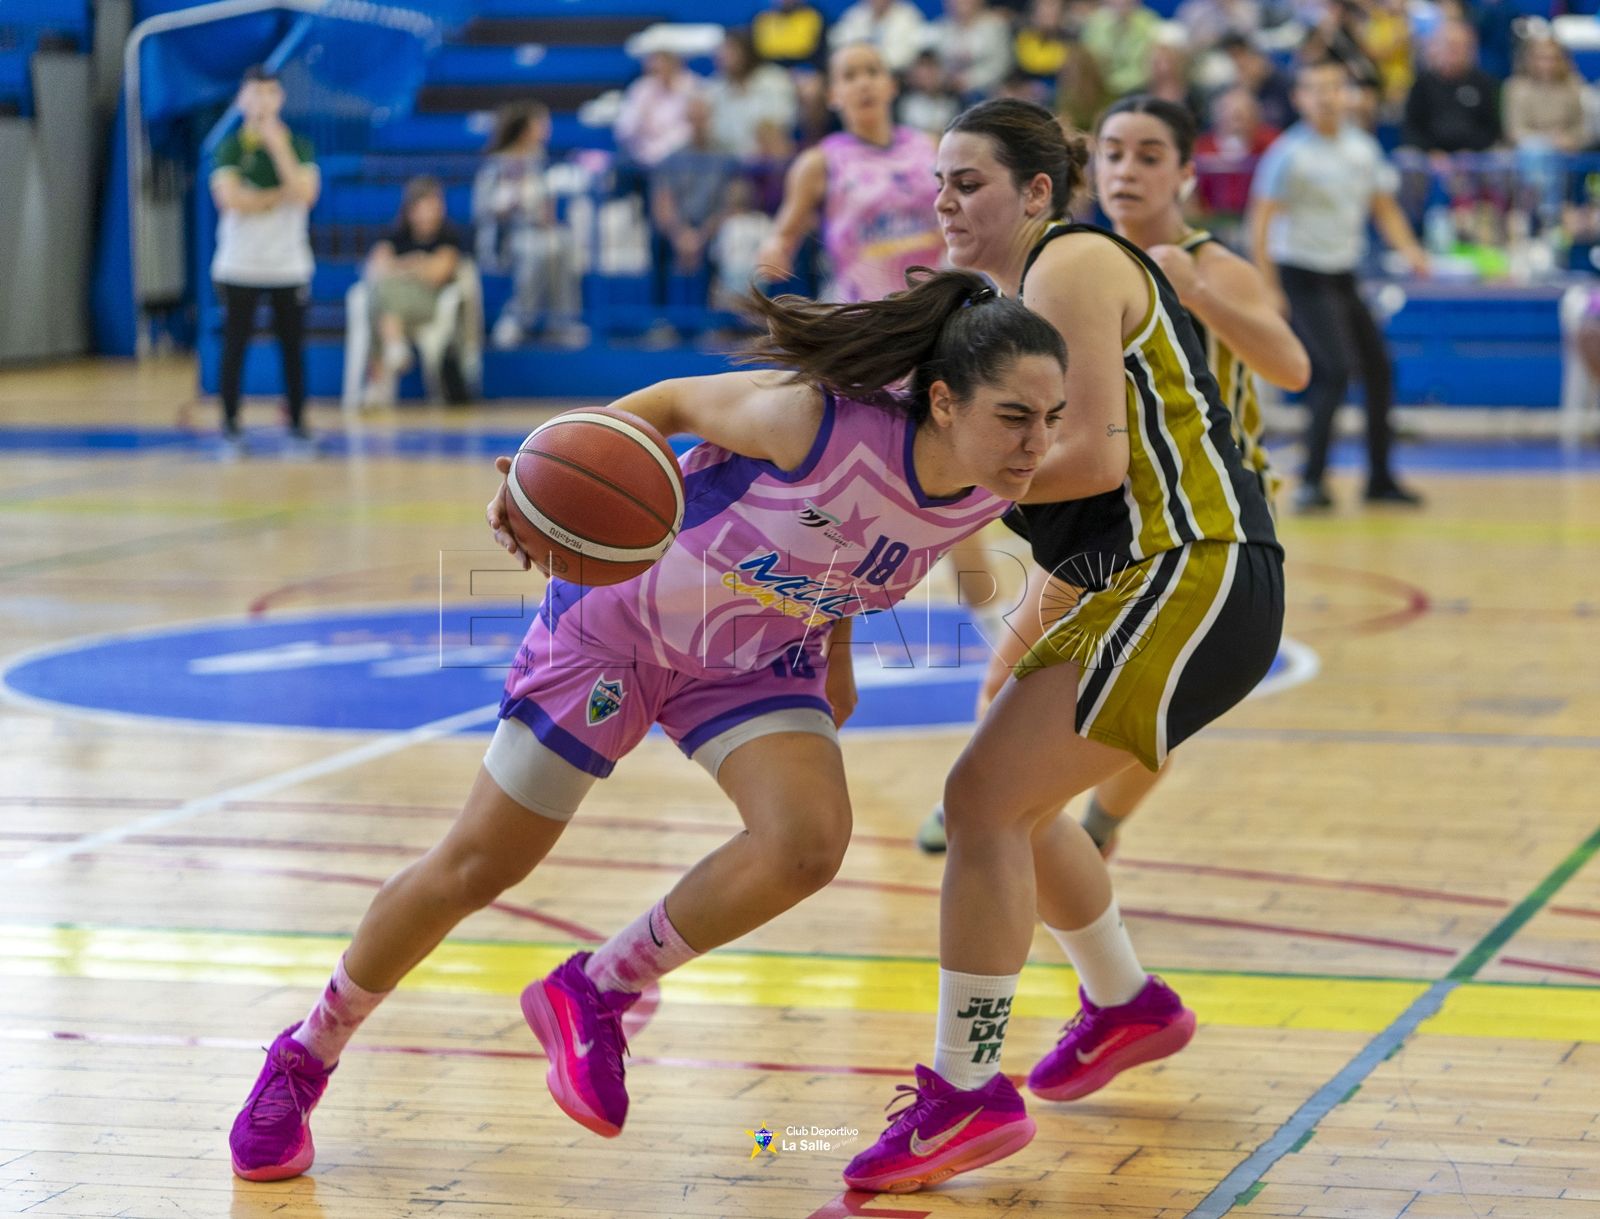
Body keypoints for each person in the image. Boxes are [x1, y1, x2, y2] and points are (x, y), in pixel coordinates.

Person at [226, 267, 1072, 1182]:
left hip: (753, 656)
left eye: (1053, 417)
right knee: (476, 865)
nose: (1036, 443)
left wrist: (835, 655)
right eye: (1016, 417)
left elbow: (861, 550)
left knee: (808, 842)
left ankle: (596, 988)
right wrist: (541, 482)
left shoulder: (991, 483)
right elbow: (666, 402)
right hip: (617, 627)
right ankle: (306, 1054)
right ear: (943, 401)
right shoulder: (810, 418)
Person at [844, 97, 1285, 1194]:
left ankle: (963, 1092)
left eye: (970, 181)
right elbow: (1066, 500)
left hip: (1194, 560)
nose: (944, 200)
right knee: (1015, 798)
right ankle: (1125, 1002)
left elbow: (1087, 454)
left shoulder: (1072, 264)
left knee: (983, 800)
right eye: (937, 181)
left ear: (1037, 193)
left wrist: (912, 496)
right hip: (1126, 567)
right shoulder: (989, 305)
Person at [916, 94, 1308, 857]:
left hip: (1193, 513)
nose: (1126, 170)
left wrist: (1199, 292)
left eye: (1148, 155)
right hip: (1105, 523)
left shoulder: (1159, 264)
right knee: (1008, 704)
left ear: (1187, 175)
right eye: (1114, 154)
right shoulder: (1054, 265)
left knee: (1107, 730)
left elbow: (1292, 367)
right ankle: (1044, 840)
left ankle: (1094, 826)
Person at [1251, 58, 1429, 511]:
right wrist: (1268, 287)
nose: (1326, 97)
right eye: (1315, 88)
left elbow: (1383, 207)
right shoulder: (1289, 154)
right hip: (1301, 273)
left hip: (1344, 274)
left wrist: (1411, 250)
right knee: (1330, 370)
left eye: (1334, 86)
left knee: (1379, 371)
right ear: (1299, 98)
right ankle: (1312, 483)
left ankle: (1380, 480)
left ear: (1346, 94)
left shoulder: (1362, 149)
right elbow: (1261, 221)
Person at [757, 42, 946, 304]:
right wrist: (774, 250)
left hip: (938, 305)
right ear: (833, 95)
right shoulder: (819, 162)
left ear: (892, 85)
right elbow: (783, 236)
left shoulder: (932, 146)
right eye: (850, 76)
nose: (863, 83)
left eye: (872, 72)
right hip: (864, 312)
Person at [209, 64, 320, 459]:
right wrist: (277, 197)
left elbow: (306, 193)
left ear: (280, 99)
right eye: (254, 94)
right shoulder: (229, 147)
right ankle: (230, 426)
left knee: (292, 347)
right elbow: (230, 199)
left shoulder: (299, 146)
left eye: (270, 93)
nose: (262, 102)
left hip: (288, 265)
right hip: (239, 264)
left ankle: (297, 427)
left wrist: (276, 146)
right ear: (242, 99)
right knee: (234, 346)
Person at [473, 102, 586, 350]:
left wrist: (546, 215)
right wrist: (510, 201)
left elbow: (543, 206)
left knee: (562, 242)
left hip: (535, 232)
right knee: (540, 249)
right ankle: (516, 318)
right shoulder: (499, 163)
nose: (546, 128)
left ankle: (562, 321)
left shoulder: (537, 160)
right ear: (525, 129)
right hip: (504, 237)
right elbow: (485, 208)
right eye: (540, 123)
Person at [360, 177, 466, 407]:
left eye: (434, 207)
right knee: (381, 293)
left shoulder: (448, 236)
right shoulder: (395, 235)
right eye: (423, 208)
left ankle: (379, 375)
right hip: (394, 303)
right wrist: (417, 264)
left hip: (428, 304)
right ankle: (394, 344)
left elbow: (438, 273)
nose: (429, 214)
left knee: (381, 296)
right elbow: (376, 268)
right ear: (410, 210)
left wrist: (401, 267)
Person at [1402, 19, 1502, 156]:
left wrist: (1471, 151)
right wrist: (1431, 152)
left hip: (1475, 157)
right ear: (1436, 47)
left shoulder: (1483, 83)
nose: (1454, 51)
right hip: (1429, 156)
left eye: (1460, 46)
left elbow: (1491, 128)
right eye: (1448, 45)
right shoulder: (1422, 83)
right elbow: (1412, 128)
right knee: (1407, 158)